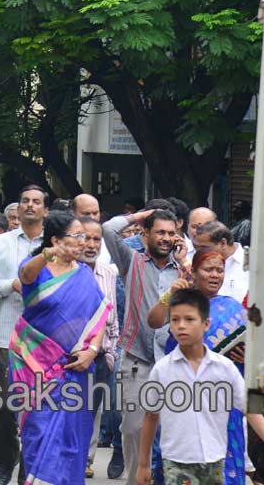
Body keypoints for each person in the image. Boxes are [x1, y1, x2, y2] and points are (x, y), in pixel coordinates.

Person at [136, 289, 264, 485]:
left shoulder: (224, 368)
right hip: (176, 462)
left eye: (189, 319)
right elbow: (151, 415)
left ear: (206, 324)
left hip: (215, 461)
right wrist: (143, 465)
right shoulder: (162, 370)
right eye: (175, 320)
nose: (182, 326)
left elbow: (250, 408)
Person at [11, 211, 111, 485]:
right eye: (77, 236)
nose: (84, 243)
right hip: (35, 369)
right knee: (39, 432)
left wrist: (92, 349)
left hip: (74, 371)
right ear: (56, 240)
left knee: (72, 438)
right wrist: (48, 254)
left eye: (87, 237)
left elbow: (100, 314)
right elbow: (24, 275)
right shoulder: (37, 268)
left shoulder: (85, 276)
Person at [147, 251, 248, 484]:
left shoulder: (233, 307)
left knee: (226, 465)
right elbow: (153, 321)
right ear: (193, 272)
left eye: (219, 270)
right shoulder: (181, 304)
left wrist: (246, 356)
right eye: (208, 270)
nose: (215, 275)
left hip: (222, 404)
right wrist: (170, 295)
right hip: (182, 395)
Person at [103, 208, 184, 485]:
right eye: (160, 232)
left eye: (171, 233)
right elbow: (108, 229)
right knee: (134, 427)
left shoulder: (184, 268)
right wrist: (144, 214)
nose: (166, 238)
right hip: (137, 359)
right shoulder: (132, 261)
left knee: (170, 430)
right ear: (145, 234)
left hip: (175, 360)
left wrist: (185, 265)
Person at [0, 185, 49, 485]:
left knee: (34, 408)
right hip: (6, 337)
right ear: (18, 208)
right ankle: (5, 463)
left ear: (45, 210)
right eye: (25, 201)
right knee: (4, 407)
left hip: (43, 342)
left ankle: (27, 468)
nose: (30, 206)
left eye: (37, 202)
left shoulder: (54, 244)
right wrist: (11, 285)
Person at [78, 217, 120, 478]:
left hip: (101, 356)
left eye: (96, 239)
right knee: (70, 409)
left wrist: (111, 353)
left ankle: (85, 459)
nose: (91, 244)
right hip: (71, 356)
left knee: (93, 412)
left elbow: (112, 317)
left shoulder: (109, 273)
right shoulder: (65, 271)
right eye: (85, 238)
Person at [192, 221, 248, 303]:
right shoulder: (198, 262)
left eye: (204, 247)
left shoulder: (250, 265)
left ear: (223, 243)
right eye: (196, 247)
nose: (198, 252)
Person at [71, 193, 111, 264]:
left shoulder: (109, 244)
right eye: (86, 214)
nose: (92, 218)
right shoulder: (61, 241)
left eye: (95, 213)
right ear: (73, 214)